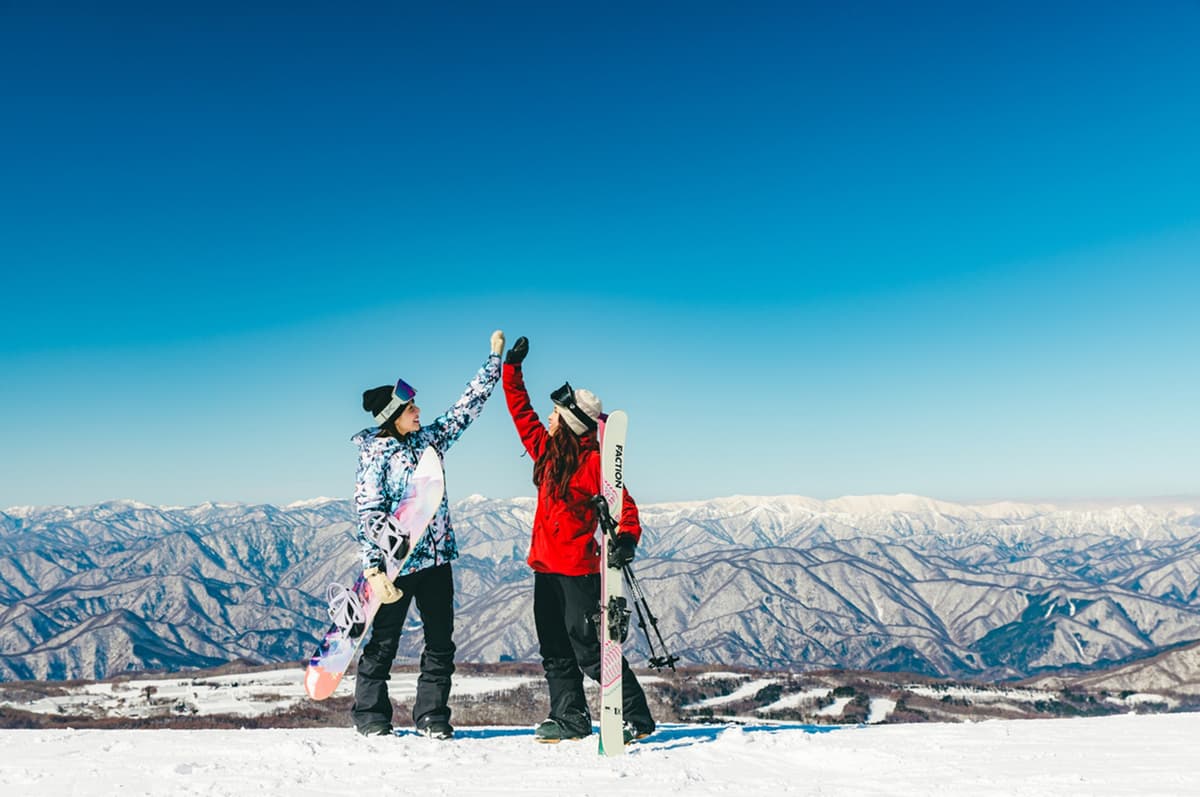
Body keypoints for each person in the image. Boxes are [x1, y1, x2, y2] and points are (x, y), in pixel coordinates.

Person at [349, 329, 505, 739]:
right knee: (383, 642)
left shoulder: (429, 442)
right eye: (411, 407)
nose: (419, 411)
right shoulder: (375, 457)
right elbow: (369, 512)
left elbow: (464, 410)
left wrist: (494, 362)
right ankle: (370, 715)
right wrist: (373, 569)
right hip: (396, 566)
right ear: (393, 417)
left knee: (440, 643)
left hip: (437, 560)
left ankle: (432, 717)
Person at [502, 335, 656, 744]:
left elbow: (626, 507)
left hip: (577, 573)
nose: (548, 419)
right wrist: (511, 369)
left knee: (590, 650)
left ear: (569, 422)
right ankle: (570, 718)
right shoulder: (546, 452)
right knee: (554, 650)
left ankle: (635, 716)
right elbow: (520, 411)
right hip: (544, 568)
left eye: (555, 414)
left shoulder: (593, 465)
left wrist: (627, 540)